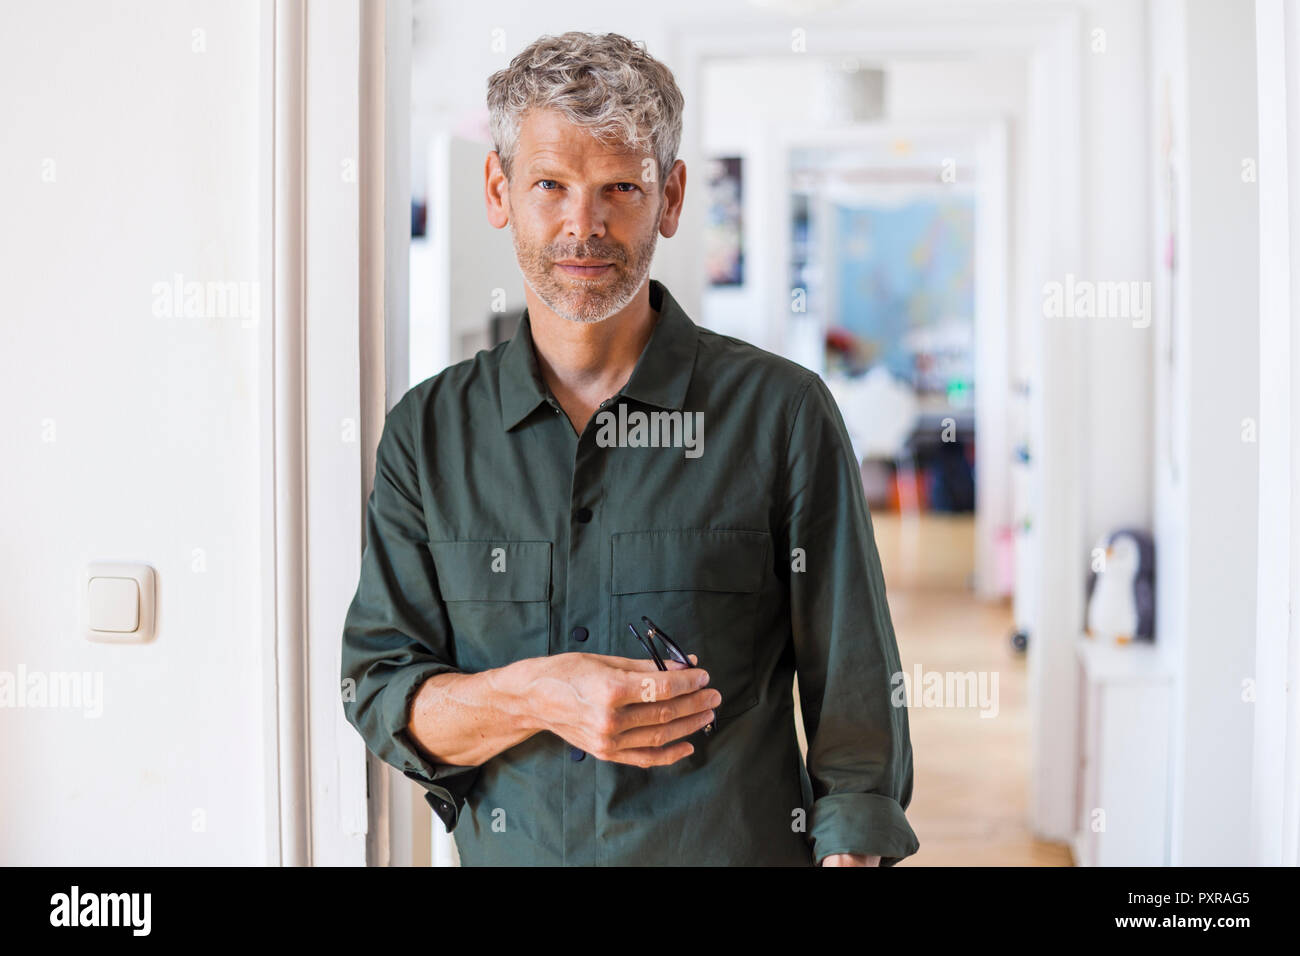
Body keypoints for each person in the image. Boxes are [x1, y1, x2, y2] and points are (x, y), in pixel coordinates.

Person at [340, 30, 919, 866]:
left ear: (672, 198)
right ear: (499, 190)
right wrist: (538, 694)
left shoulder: (784, 415)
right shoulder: (427, 435)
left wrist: (851, 850)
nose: (585, 225)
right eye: (550, 185)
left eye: (620, 186)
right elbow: (383, 691)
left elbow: (856, 694)